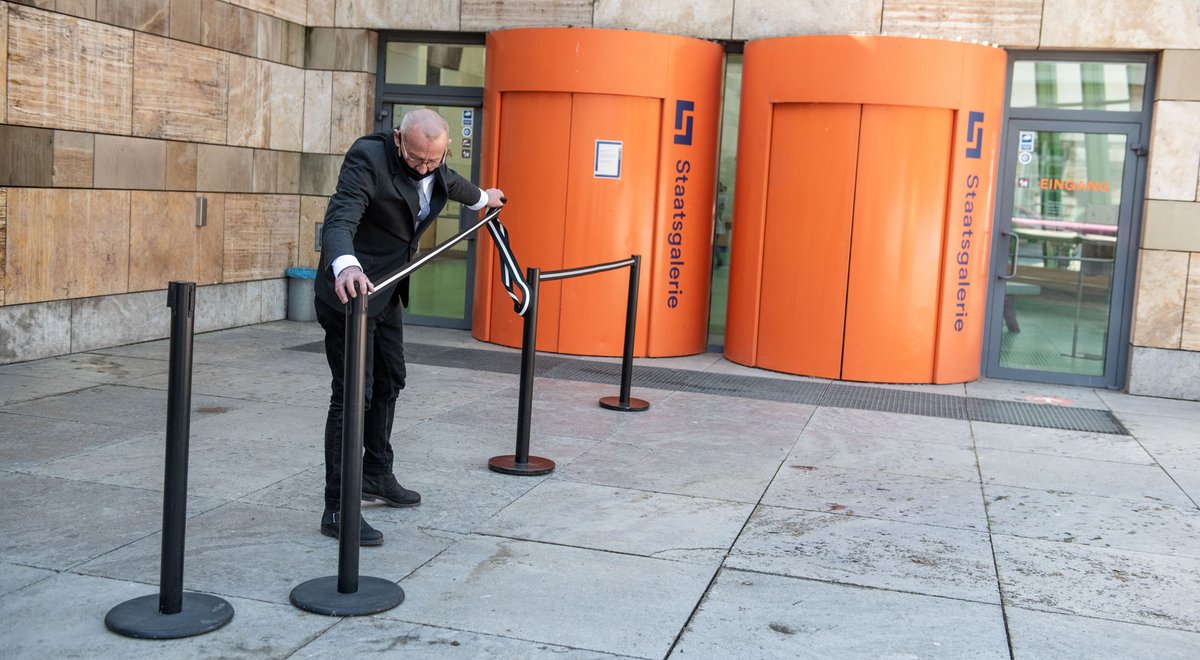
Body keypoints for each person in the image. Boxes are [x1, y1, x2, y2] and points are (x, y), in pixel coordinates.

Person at [314, 108, 505, 545]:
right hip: (351, 293)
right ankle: (337, 507)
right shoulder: (368, 159)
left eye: (432, 160)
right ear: (399, 138)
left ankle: (377, 474)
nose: (423, 167)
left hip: (388, 291)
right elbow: (341, 218)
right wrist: (344, 265)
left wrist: (484, 198)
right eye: (417, 159)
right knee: (352, 396)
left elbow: (454, 185)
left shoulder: (434, 165)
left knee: (390, 381)